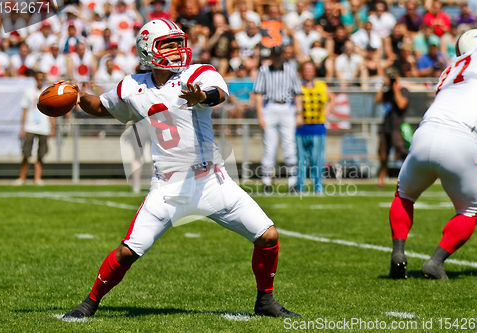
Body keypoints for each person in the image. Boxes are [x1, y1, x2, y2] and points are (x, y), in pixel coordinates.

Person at [62, 19, 300, 319]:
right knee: (128, 251)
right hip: (168, 187)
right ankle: (89, 302)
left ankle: (265, 301)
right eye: (169, 44)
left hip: (212, 181)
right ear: (149, 49)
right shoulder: (132, 85)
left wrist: (201, 97)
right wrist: (80, 96)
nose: (178, 49)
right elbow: (102, 107)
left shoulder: (197, 73)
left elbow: (218, 93)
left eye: (179, 42)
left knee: (268, 236)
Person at [388, 29, 477, 280]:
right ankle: (435, 262)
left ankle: (398, 251)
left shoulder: (452, 68)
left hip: (425, 133)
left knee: (404, 194)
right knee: (470, 211)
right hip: (462, 138)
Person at [253, 45, 303, 194]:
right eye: (274, 56)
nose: (276, 58)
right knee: (270, 146)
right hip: (270, 108)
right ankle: (267, 182)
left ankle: (292, 182)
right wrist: (260, 115)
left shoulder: (290, 69)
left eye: (278, 55)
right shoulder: (264, 70)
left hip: (287, 108)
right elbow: (258, 94)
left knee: (289, 145)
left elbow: (298, 93)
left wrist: (299, 113)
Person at [296, 61, 334, 193]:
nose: (308, 72)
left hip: (317, 126)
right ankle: (300, 186)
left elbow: (332, 98)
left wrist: (326, 112)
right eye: (306, 69)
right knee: (301, 159)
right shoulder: (297, 86)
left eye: (310, 69)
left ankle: (318, 186)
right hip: (301, 127)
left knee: (317, 159)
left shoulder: (321, 85)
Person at [15, 70, 55, 185]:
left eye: (42, 78)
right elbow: (24, 110)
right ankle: (22, 178)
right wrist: (22, 128)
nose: (40, 80)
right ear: (35, 79)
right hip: (30, 126)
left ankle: (37, 178)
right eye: (38, 78)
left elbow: (52, 112)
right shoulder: (28, 92)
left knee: (41, 154)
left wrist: (53, 128)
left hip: (44, 127)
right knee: (26, 153)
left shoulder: (49, 92)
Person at [375, 68, 409, 188]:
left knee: (401, 153)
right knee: (383, 155)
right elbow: (377, 100)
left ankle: (407, 179)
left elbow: (401, 104)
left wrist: (395, 88)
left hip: (397, 127)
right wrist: (383, 86)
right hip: (386, 126)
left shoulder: (403, 90)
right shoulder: (386, 91)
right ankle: (381, 180)